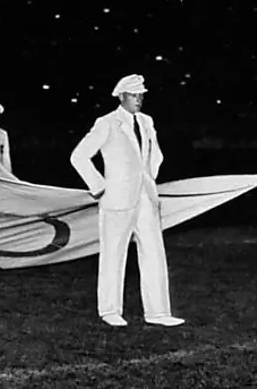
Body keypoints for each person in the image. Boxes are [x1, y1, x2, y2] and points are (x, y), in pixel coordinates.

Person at [70, 74, 185, 327]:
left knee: (154, 252)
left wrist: (150, 180)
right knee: (113, 253)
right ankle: (109, 310)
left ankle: (158, 312)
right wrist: (100, 188)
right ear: (121, 96)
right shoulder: (107, 123)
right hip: (116, 199)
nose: (139, 99)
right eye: (135, 95)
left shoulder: (146, 121)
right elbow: (78, 156)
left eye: (141, 95)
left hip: (145, 196)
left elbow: (155, 154)